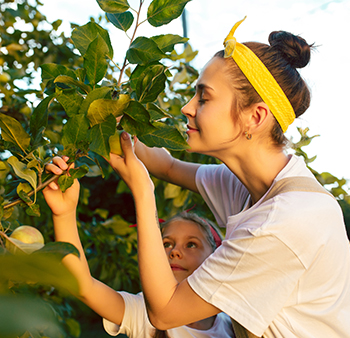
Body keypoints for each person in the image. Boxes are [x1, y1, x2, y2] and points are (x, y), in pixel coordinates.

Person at [102, 17, 350, 338]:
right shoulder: (253, 186)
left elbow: (165, 312)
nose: (187, 108)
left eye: (204, 98)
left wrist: (143, 193)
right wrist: (111, 115)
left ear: (255, 116)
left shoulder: (282, 222)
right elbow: (168, 167)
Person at [42, 169, 234, 338]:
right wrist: (64, 214)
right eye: (166, 244)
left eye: (191, 245)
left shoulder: (231, 324)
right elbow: (83, 285)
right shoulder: (143, 311)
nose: (175, 251)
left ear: (215, 256)